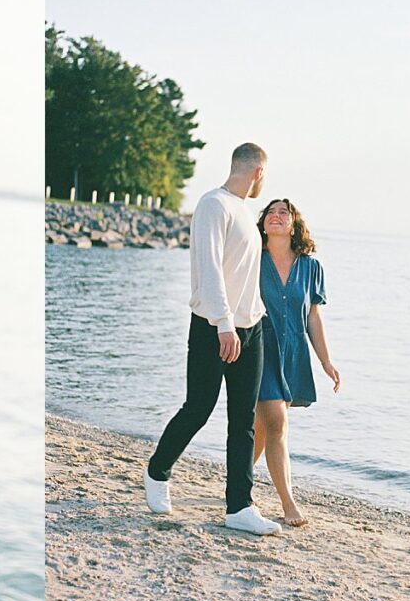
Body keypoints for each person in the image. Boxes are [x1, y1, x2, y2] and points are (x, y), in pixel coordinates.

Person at [144, 143, 282, 536]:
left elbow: (243, 273)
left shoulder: (245, 211)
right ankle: (157, 470)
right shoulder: (213, 205)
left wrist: (252, 318)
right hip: (213, 325)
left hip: (251, 325)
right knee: (199, 407)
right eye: (264, 176)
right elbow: (209, 268)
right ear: (257, 171)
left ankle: (239, 506)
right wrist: (224, 324)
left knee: (244, 421)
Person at [254, 199, 340, 527]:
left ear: (293, 224)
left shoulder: (311, 268)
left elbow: (313, 318)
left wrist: (326, 361)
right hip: (259, 347)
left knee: (264, 426)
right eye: (270, 212)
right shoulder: (252, 259)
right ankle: (289, 503)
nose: (276, 216)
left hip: (294, 353)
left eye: (283, 212)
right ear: (263, 224)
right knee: (277, 423)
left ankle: (238, 482)